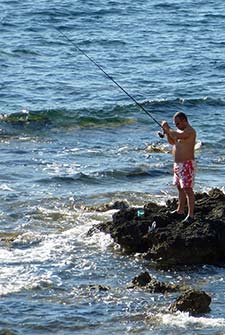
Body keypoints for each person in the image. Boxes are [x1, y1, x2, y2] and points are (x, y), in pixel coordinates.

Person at [161, 111, 196, 223]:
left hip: (187, 164)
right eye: (175, 124)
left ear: (184, 120)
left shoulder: (190, 131)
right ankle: (180, 210)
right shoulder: (180, 132)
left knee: (188, 189)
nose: (177, 126)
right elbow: (172, 141)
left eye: (178, 123)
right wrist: (167, 132)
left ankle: (190, 215)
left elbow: (176, 135)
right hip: (178, 165)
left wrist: (168, 127)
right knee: (180, 188)